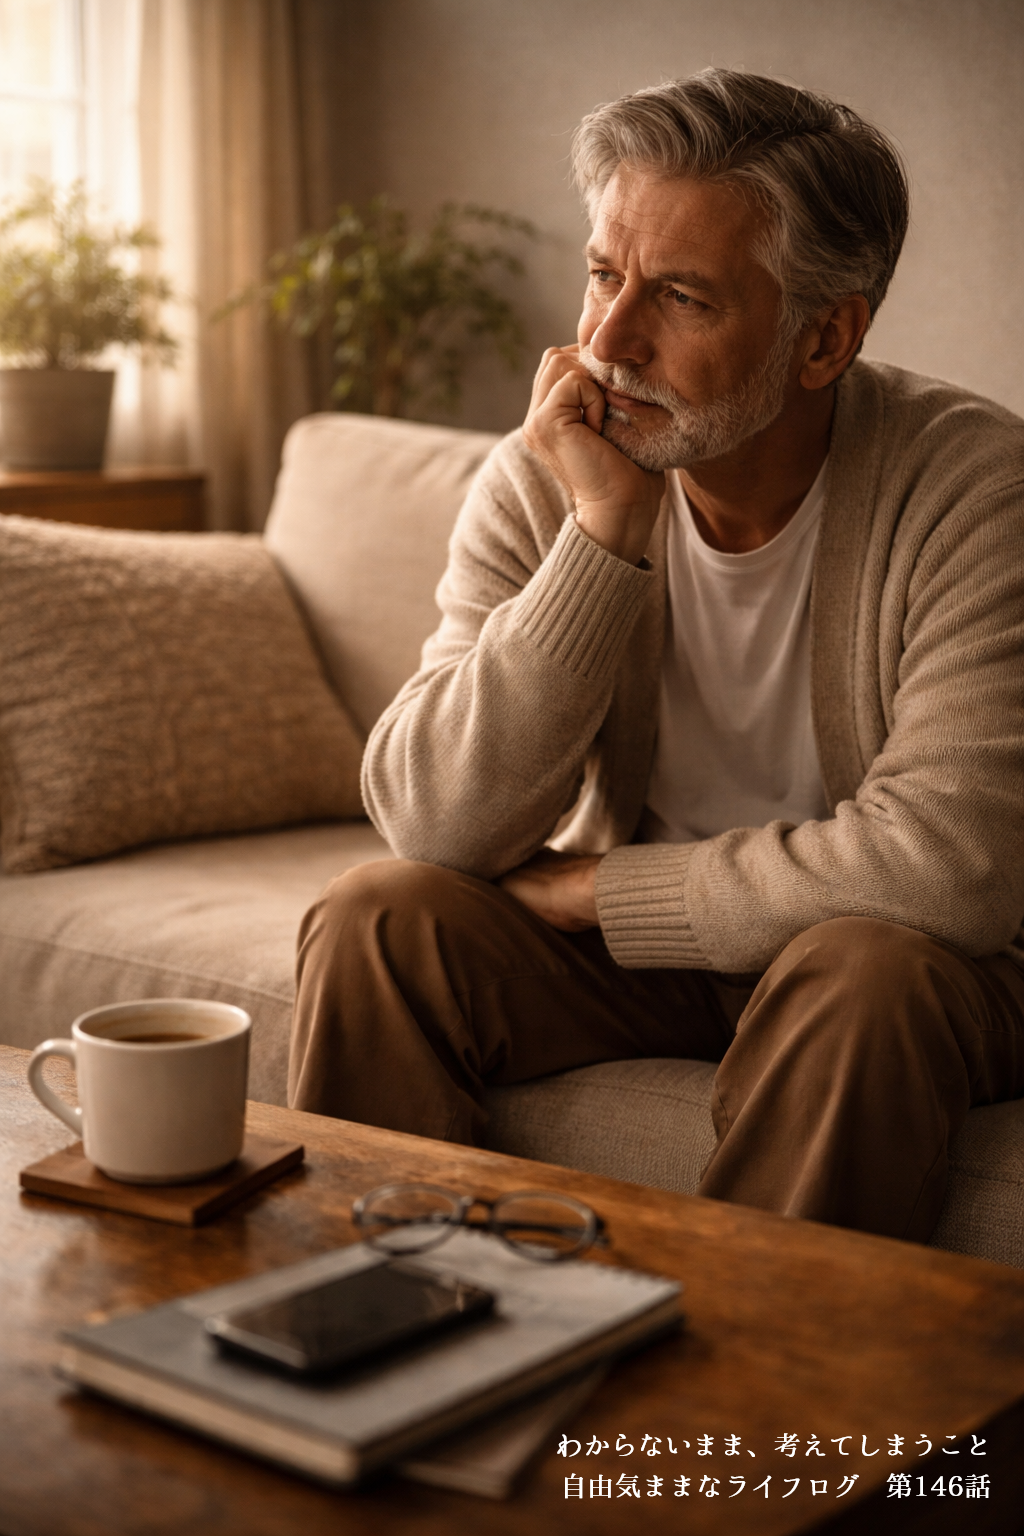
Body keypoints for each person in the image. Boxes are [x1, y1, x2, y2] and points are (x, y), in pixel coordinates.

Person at [287, 69, 1024, 1242]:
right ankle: (388, 1319)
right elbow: (429, 820)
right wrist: (601, 536)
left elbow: (950, 869)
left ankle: (748, 1364)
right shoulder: (546, 476)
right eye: (602, 275)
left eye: (680, 296)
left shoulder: (974, 489)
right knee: (382, 915)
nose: (606, 340)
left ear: (824, 337)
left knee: (862, 973)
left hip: (900, 970)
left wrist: (602, 892)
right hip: (651, 972)